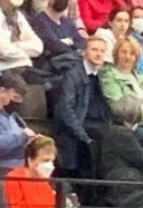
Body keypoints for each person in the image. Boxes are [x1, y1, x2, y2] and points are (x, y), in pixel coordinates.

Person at [4, 133, 97, 208]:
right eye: (45, 160)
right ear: (30, 160)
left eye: (52, 161)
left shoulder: (45, 182)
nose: (50, 165)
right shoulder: (15, 178)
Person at [53, 32, 110, 179]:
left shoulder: (104, 75)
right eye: (94, 49)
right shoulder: (72, 75)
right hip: (79, 128)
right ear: (84, 52)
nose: (98, 54)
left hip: (100, 126)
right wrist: (83, 136)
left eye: (102, 51)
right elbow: (66, 109)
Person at [100, 37, 143, 134]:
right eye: (123, 52)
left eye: (132, 53)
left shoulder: (140, 77)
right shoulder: (109, 75)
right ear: (116, 54)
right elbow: (118, 108)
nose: (127, 56)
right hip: (129, 126)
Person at [0, 0, 44, 74]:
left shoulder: (17, 14)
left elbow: (38, 47)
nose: (14, 7)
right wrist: (26, 52)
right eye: (11, 4)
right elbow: (3, 51)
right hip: (4, 69)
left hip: (25, 67)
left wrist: (15, 46)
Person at [32, 0, 86, 65]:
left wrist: (67, 42)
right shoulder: (39, 21)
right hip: (52, 65)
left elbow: (81, 42)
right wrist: (72, 43)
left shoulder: (67, 22)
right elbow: (56, 46)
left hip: (72, 62)